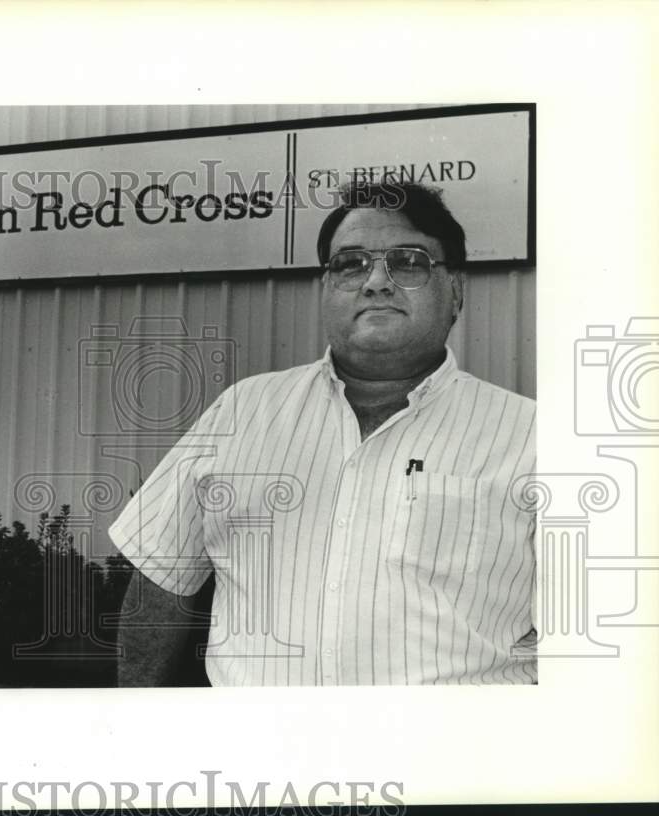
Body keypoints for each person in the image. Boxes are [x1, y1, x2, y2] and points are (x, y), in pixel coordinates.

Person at [108, 182, 536, 686]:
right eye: (350, 263)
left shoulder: (531, 437)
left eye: (409, 261)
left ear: (456, 291)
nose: (376, 281)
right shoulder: (243, 412)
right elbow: (162, 581)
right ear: (326, 288)